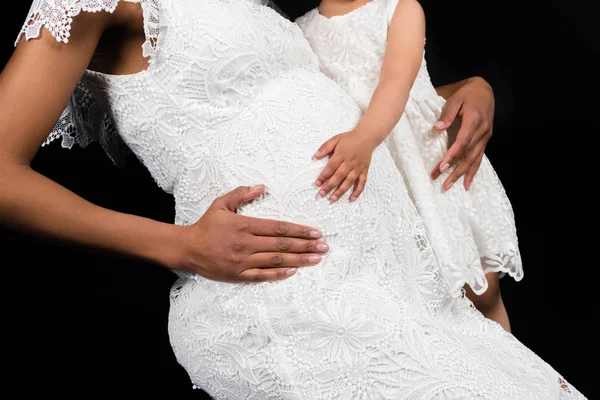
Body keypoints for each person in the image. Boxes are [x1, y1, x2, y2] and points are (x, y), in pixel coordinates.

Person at [0, 0, 585, 398]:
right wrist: (181, 246)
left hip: (403, 285)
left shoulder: (259, 8)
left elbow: (356, 90)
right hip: (286, 302)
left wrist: (469, 89)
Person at [295, 0, 521, 331]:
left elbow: (396, 83)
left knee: (480, 291)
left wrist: (365, 137)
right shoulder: (301, 29)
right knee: (423, 295)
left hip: (426, 163)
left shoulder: (398, 7)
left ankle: (513, 366)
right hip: (377, 173)